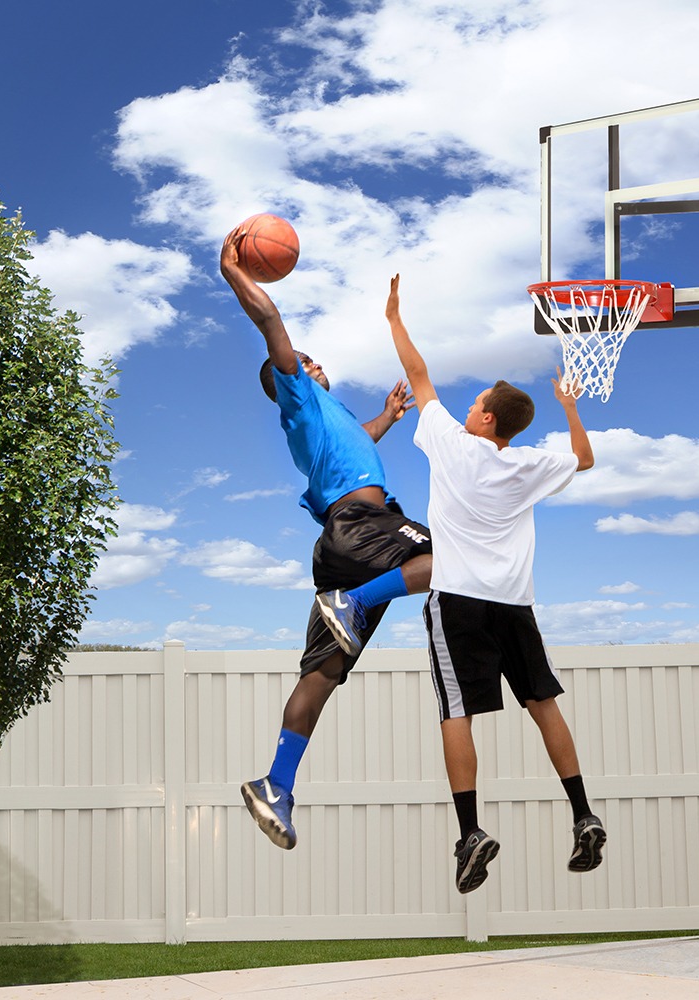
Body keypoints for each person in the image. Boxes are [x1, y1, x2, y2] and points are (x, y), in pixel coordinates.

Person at [382, 272, 606, 893]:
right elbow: (585, 459)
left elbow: (420, 375)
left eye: (477, 401)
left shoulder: (454, 446)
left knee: (457, 711)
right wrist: (569, 405)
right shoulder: (528, 464)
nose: (471, 405)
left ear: (483, 418)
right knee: (544, 705)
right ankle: (583, 813)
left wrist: (394, 317)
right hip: (515, 605)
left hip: (458, 603)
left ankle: (470, 832)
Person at [220, 227, 432, 851]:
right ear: (291, 377)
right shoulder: (297, 396)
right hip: (362, 530)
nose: (313, 364)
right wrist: (236, 272)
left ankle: (275, 784)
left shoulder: (328, 419)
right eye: (305, 362)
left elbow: (356, 445)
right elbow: (272, 322)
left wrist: (388, 420)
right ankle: (359, 599)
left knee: (323, 671)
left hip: (341, 544)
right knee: (455, 557)